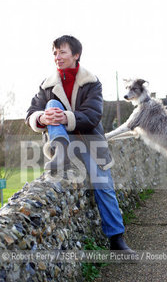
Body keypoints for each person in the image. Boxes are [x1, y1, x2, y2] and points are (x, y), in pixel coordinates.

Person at [26, 35, 134, 253]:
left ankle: (116, 239)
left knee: (103, 183)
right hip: (61, 142)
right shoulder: (46, 85)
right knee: (50, 104)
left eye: (62, 52)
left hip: (89, 141)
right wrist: (42, 118)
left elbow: (93, 115)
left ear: (76, 55)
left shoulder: (92, 82)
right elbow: (30, 114)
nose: (57, 57)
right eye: (54, 53)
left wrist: (64, 117)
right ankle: (61, 150)